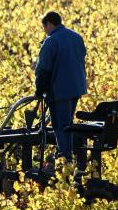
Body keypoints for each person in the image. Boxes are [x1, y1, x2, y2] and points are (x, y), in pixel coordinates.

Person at [34, 11, 87, 171]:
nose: (45, 31)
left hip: (60, 90)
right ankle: (62, 155)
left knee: (60, 125)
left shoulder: (51, 41)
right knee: (68, 123)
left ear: (49, 23)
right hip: (76, 87)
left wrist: (39, 89)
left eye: (44, 27)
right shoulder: (76, 37)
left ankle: (65, 160)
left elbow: (43, 69)